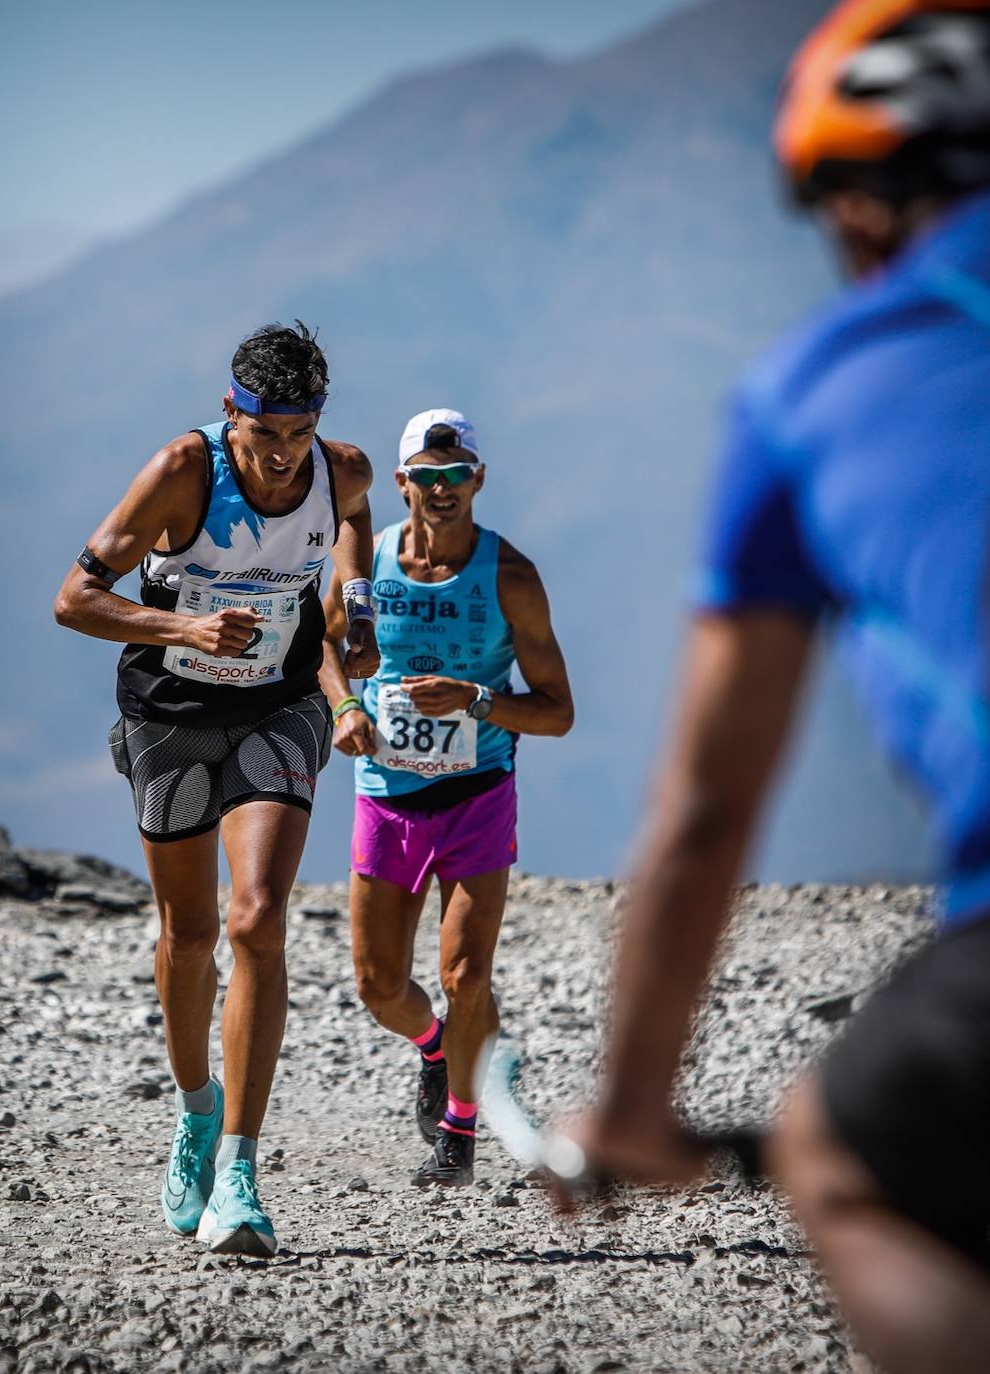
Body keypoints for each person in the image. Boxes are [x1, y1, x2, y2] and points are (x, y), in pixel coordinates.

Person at [565, 3, 990, 1370]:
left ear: (859, 201)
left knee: (834, 1146)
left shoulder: (811, 389)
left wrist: (631, 1103)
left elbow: (705, 800)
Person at [54, 322, 379, 1256]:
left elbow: (351, 525)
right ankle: (196, 1112)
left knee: (256, 920)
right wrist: (182, 631)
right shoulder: (182, 474)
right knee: (189, 934)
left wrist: (352, 605)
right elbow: (74, 599)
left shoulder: (340, 469)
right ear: (232, 411)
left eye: (300, 432)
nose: (283, 457)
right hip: (168, 714)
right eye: (265, 434)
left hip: (278, 707)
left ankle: (240, 1167)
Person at [319, 408, 573, 1186]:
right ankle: (434, 1046)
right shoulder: (371, 568)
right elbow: (321, 645)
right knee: (378, 986)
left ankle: (459, 1135)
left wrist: (476, 699)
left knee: (466, 975)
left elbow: (557, 711)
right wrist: (344, 709)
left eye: (454, 474)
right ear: (400, 484)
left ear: (478, 478)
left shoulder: (512, 578)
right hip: (386, 797)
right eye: (425, 477)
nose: (440, 489)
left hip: (477, 794)